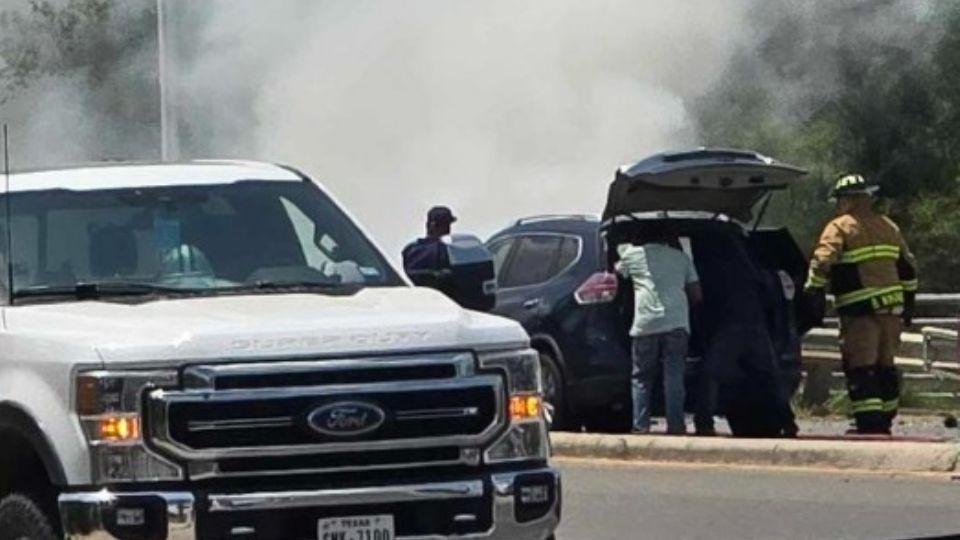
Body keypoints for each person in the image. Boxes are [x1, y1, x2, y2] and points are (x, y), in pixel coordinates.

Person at [804, 173, 918, 435]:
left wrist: (812, 290)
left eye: (840, 200)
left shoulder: (839, 227)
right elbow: (908, 268)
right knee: (885, 364)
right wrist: (909, 303)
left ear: (848, 199)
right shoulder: (888, 226)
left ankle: (869, 423)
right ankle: (885, 418)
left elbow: (822, 262)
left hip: (859, 311)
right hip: (892, 309)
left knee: (861, 365)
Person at [694, 233, 798, 438]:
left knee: (709, 374)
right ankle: (789, 422)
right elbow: (770, 298)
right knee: (771, 377)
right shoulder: (751, 268)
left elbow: (701, 302)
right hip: (757, 328)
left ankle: (704, 424)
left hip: (730, 329)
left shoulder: (710, 269)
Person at [615, 225, 702, 435]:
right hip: (677, 323)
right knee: (674, 376)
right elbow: (697, 294)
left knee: (641, 378)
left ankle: (641, 426)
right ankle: (676, 426)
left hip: (645, 324)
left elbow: (617, 272)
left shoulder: (633, 255)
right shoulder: (681, 258)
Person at [402, 206, 457, 278]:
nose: (448, 230)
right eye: (444, 225)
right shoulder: (446, 250)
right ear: (433, 226)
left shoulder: (409, 249)